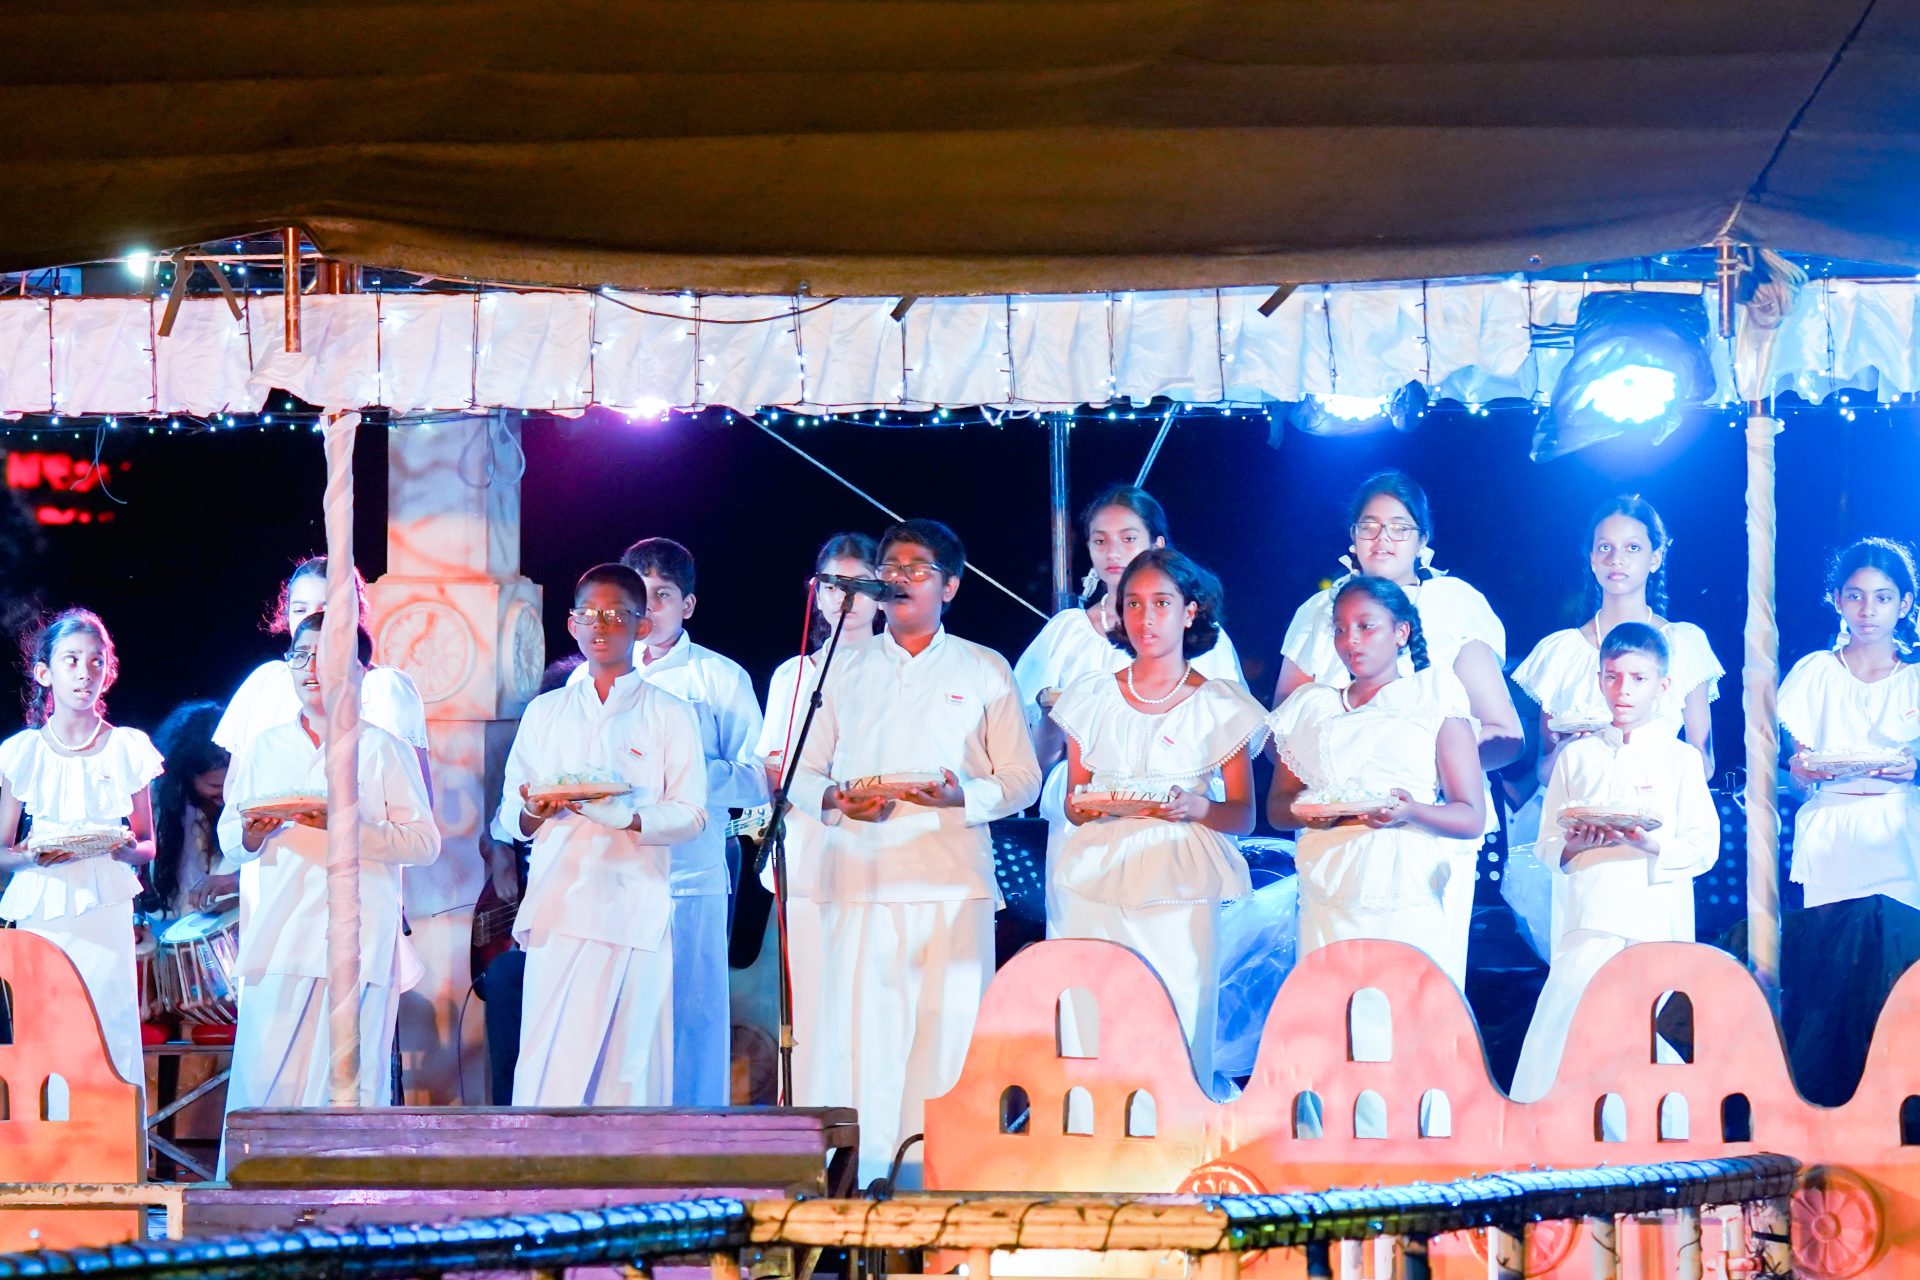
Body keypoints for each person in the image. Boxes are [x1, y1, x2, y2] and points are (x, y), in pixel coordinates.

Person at [788, 518, 1041, 1185]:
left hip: (951, 883)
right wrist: (837, 802)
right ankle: (854, 1186)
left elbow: (1022, 779)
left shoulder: (984, 667)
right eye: (890, 567)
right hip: (861, 879)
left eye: (916, 569)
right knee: (859, 1044)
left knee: (947, 1043)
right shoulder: (840, 671)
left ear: (951, 586)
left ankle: (941, 1186)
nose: (898, 579)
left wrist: (963, 796)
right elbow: (801, 772)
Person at [1274, 471, 1518, 978]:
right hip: (1336, 833)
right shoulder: (1319, 611)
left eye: (1399, 528)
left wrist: (1430, 784)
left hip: (1429, 836)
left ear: (1423, 539)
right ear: (1352, 536)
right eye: (1369, 526)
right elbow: (1288, 735)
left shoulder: (1454, 604)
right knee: (1333, 985)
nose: (1382, 539)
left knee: (1421, 983)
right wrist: (1331, 797)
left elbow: (1504, 731)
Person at [1051, 549, 1266, 1094]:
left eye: (1162, 603)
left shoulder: (1221, 704)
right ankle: (1095, 1157)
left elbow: (1242, 813)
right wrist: (1097, 803)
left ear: (1190, 612)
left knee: (1175, 1013)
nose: (1146, 619)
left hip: (1180, 882)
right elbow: (1077, 802)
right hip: (1099, 877)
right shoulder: (1090, 697)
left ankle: (1176, 1157)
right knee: (1095, 1020)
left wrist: (1196, 807)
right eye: (1134, 604)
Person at [494, 564, 708, 1105]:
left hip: (635, 905)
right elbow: (507, 818)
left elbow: (692, 814)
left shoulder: (669, 713)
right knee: (550, 1063)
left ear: (641, 627)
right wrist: (536, 811)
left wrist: (631, 818)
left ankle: (630, 1183)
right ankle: (542, 1182)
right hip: (560, 905)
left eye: (616, 615)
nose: (600, 626)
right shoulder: (547, 711)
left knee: (629, 1071)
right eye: (589, 614)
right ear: (570, 625)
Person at [217, 612, 440, 1119]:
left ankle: (346, 1197)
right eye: (300, 656)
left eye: (327, 657)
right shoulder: (265, 746)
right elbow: (231, 838)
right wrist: (251, 833)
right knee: (265, 1088)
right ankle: (256, 1195)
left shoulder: (385, 749)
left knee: (349, 1093)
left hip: (360, 944)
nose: (310, 668)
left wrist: (343, 826)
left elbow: (424, 844)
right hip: (280, 937)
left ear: (360, 672)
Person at [567, 537, 765, 1107]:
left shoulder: (717, 679)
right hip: (609, 871)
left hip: (689, 872)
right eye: (639, 596)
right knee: (619, 1014)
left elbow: (756, 778)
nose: (648, 610)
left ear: (688, 606)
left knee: (691, 1010)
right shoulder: (587, 677)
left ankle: (698, 1139)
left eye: (662, 596)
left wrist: (683, 769)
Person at [1509, 623, 1719, 1102]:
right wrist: (1576, 846)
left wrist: (1652, 845)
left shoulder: (1680, 759)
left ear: (1662, 686)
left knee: (1652, 1034)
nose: (1623, 690)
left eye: (1638, 679)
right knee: (1573, 1025)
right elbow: (1547, 843)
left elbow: (1704, 847)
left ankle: (1659, 1146)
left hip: (1655, 918)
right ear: (1599, 680)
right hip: (1587, 915)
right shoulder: (1575, 756)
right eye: (1612, 677)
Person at [1506, 496, 1722, 957]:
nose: (1616, 560)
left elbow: (1702, 757)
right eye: (1605, 548)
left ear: (1656, 557)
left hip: (1653, 844)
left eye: (1631, 548)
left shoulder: (1684, 644)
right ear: (1591, 557)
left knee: (1653, 980)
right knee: (1581, 972)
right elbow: (1545, 768)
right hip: (1585, 847)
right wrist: (1580, 749)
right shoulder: (1562, 652)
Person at [1266, 577, 1486, 986]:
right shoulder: (1313, 706)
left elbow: (1470, 815)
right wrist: (1312, 812)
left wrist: (1410, 811)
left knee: (1403, 1016)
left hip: (1403, 887)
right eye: (1340, 629)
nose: (1352, 640)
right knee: (1330, 1016)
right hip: (1328, 887)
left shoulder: (1432, 696)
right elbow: (1279, 808)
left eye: (1366, 626)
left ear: (1401, 632)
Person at [1013, 485, 1246, 859]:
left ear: (1157, 544)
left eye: (1128, 538)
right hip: (1086, 820)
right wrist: (1050, 719)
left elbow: (1233, 744)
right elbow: (1027, 760)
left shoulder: (1200, 634)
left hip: (1178, 815)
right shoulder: (1067, 632)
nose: (1114, 552)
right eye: (1100, 541)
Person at [0, 609, 161, 1091]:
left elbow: (148, 844)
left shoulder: (127, 747)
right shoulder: (23, 752)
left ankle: (116, 1157)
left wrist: (124, 849)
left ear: (107, 672)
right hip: (44, 904)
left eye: (95, 662)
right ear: (45, 672)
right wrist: (32, 857)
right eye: (71, 661)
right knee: (47, 1024)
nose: (83, 673)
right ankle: (51, 1158)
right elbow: (2, 851)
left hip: (105, 903)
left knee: (108, 1018)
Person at [755, 533, 882, 1106]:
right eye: (835, 584)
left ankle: (877, 1137)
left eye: (860, 585)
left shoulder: (898, 672)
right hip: (811, 859)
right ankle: (809, 1137)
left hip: (884, 861)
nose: (846, 598)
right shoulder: (792, 676)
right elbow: (774, 764)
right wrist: (822, 792)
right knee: (811, 1006)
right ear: (817, 591)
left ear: (883, 594)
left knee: (874, 1008)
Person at [1779, 537, 1920, 910]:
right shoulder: (1816, 674)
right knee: (1835, 956)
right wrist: (1802, 774)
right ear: (1838, 599)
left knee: (1899, 958)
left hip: (1899, 832)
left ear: (1904, 604)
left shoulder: (1915, 680)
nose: (1868, 610)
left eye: (1883, 598)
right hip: (1832, 834)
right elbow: (1798, 778)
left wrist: (1914, 768)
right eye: (1856, 596)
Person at [146, 701, 234, 917]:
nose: (226, 794)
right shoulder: (157, 800)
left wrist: (237, 880)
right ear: (187, 775)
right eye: (215, 786)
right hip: (172, 924)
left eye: (233, 783)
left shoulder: (251, 800)